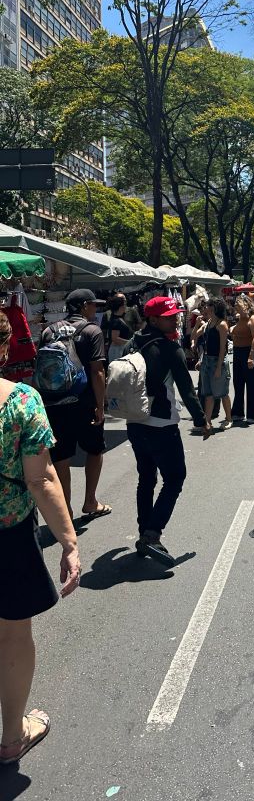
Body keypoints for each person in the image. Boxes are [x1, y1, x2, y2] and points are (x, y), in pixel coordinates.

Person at [0, 312, 81, 765]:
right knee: (12, 634)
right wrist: (69, 541)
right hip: (8, 535)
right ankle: (12, 736)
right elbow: (41, 478)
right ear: (4, 349)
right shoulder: (21, 401)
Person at [123, 297, 209, 564]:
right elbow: (186, 388)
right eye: (169, 316)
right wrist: (201, 419)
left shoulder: (131, 343)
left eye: (175, 315)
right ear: (153, 319)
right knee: (175, 478)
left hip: (134, 422)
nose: (175, 320)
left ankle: (144, 533)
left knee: (146, 478)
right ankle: (152, 534)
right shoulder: (170, 349)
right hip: (162, 424)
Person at [39, 289, 109, 521]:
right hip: (85, 402)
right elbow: (98, 371)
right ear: (84, 306)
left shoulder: (49, 331)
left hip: (54, 403)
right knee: (95, 449)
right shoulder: (92, 330)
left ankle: (66, 510)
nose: (95, 309)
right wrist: (101, 405)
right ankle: (90, 501)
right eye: (93, 305)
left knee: (61, 457)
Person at [194, 296, 232, 430]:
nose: (206, 308)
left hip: (218, 361)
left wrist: (218, 368)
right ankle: (208, 422)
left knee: (222, 393)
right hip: (207, 360)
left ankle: (229, 419)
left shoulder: (222, 324)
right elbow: (195, 335)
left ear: (215, 308)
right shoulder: (209, 322)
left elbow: (223, 349)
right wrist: (197, 324)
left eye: (209, 306)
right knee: (208, 394)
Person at [230, 296, 254, 424]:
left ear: (246, 305)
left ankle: (253, 415)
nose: (235, 307)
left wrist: (251, 357)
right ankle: (237, 412)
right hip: (237, 353)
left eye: (238, 304)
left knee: (252, 385)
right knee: (238, 383)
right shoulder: (239, 319)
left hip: (249, 352)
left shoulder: (253, 318)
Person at [101, 293, 133, 363]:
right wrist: (131, 342)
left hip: (121, 350)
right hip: (118, 351)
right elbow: (115, 339)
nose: (126, 306)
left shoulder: (117, 318)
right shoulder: (116, 321)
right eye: (125, 304)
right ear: (121, 306)